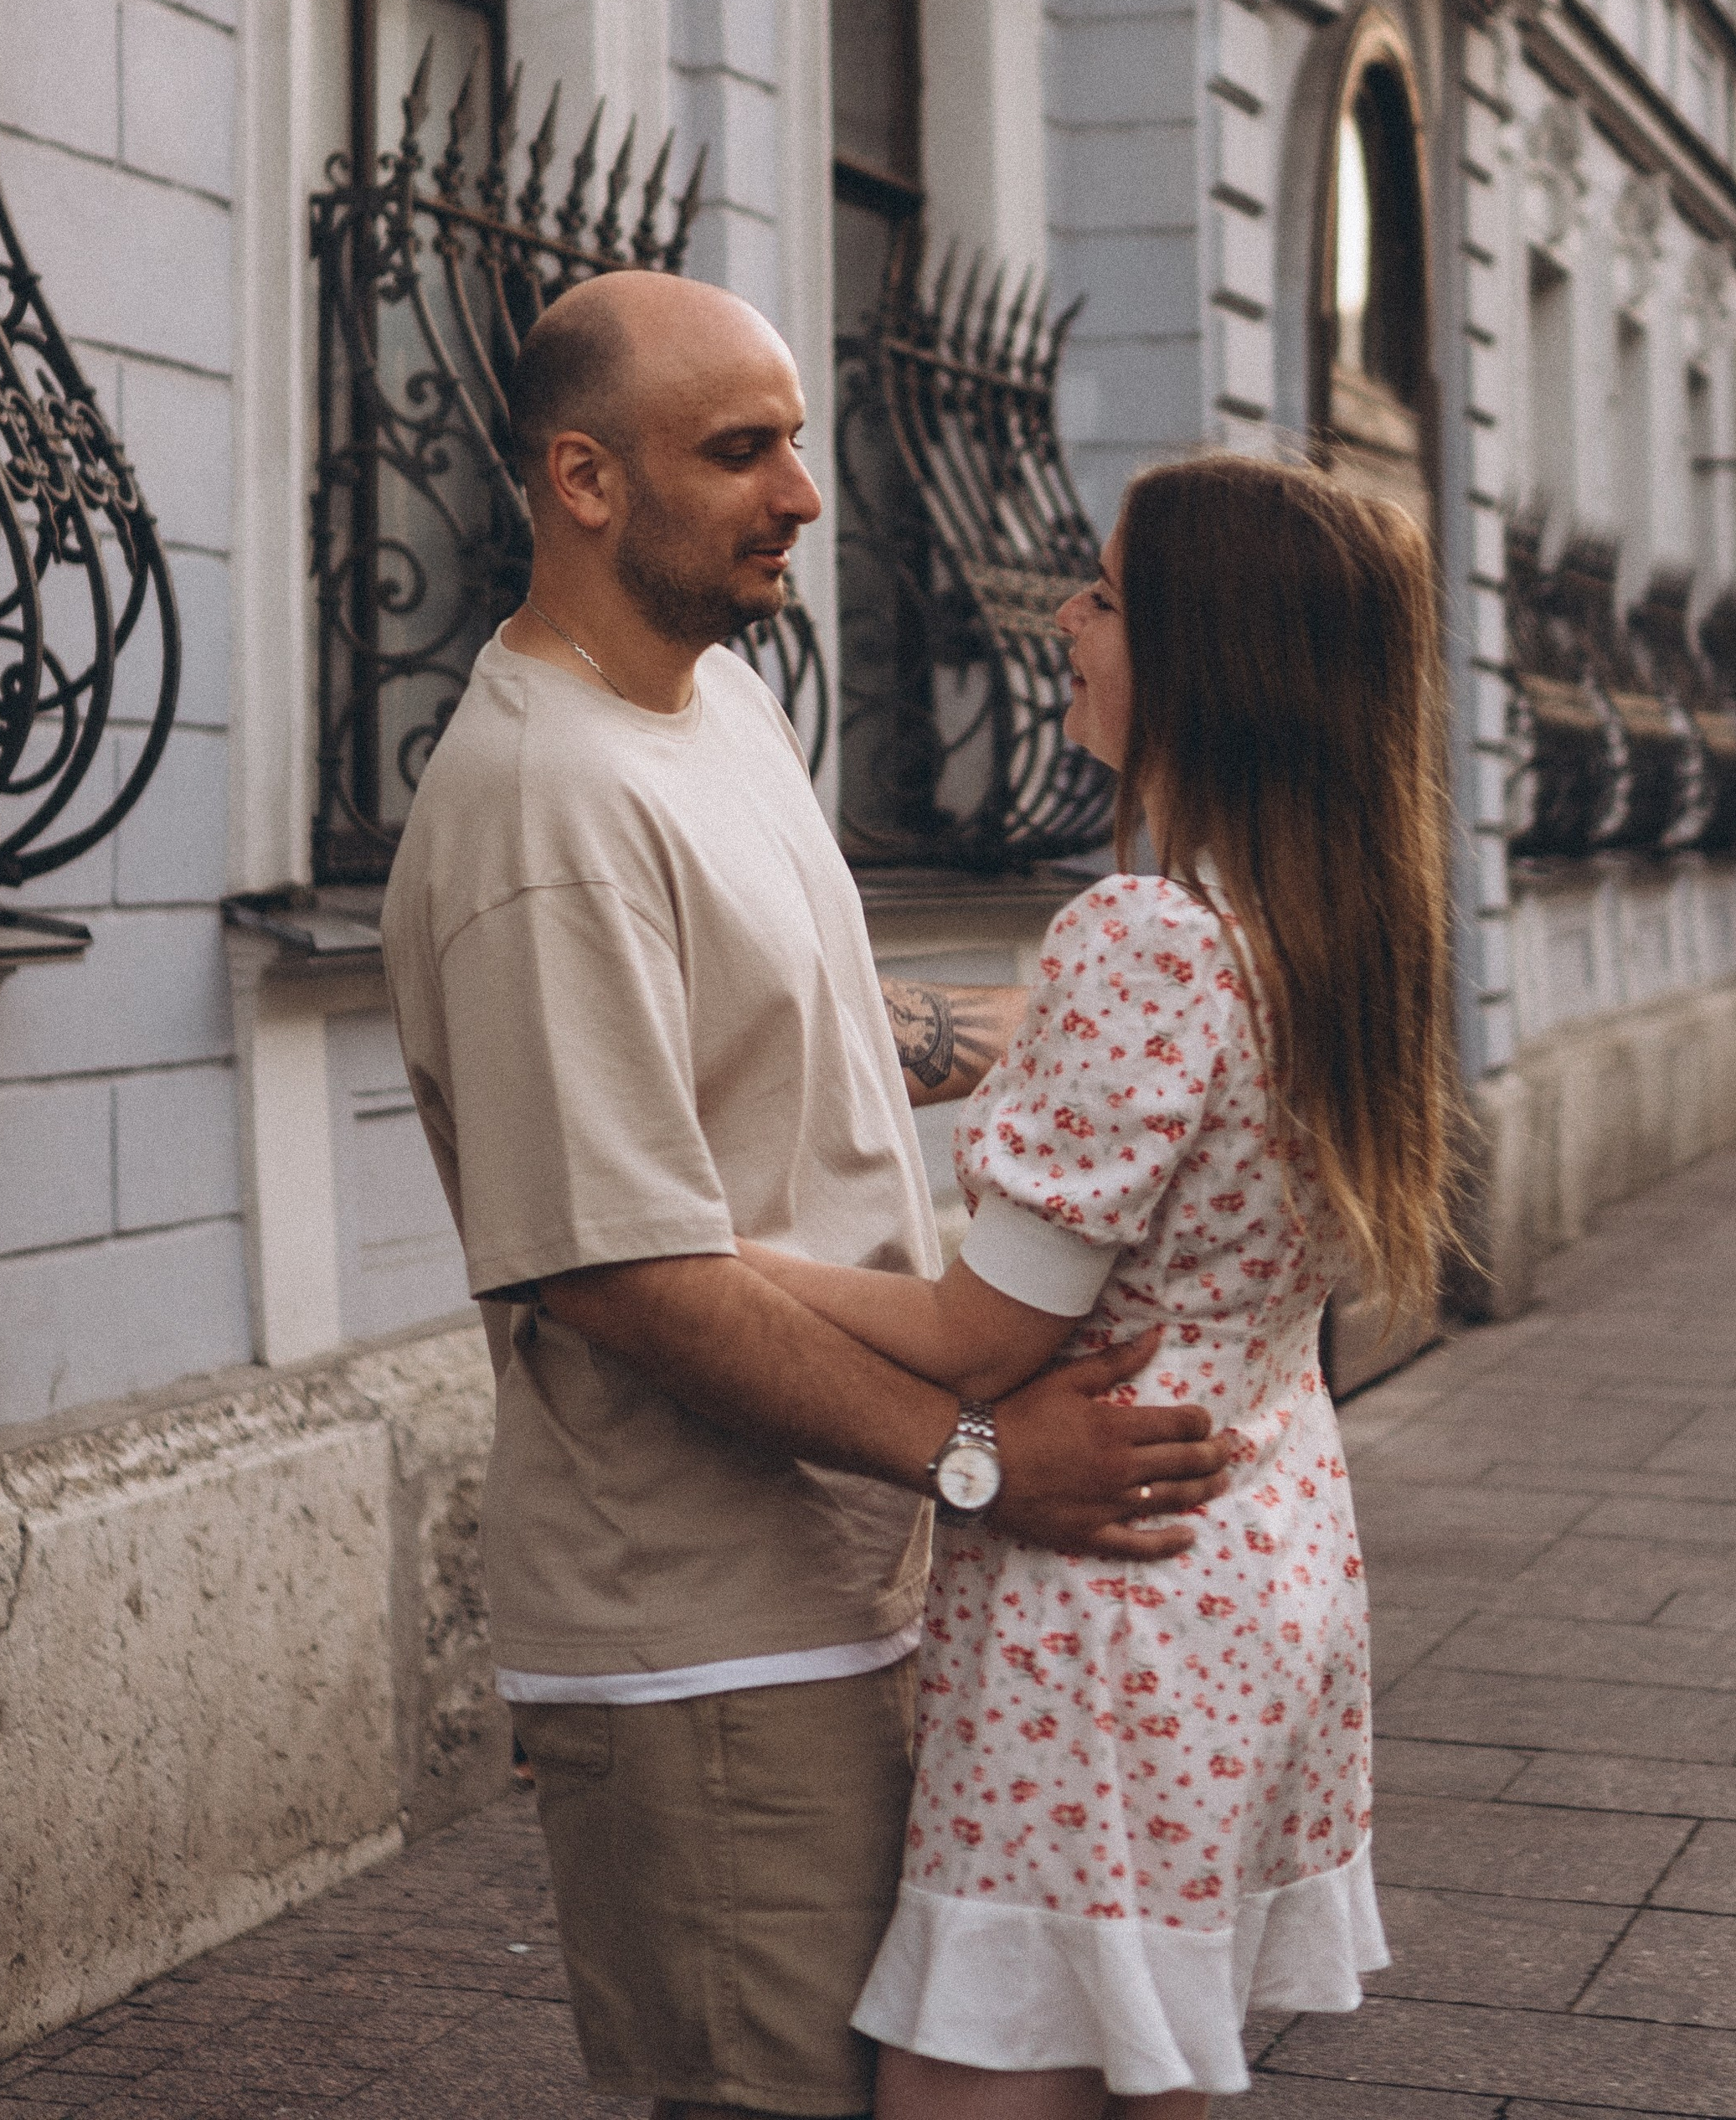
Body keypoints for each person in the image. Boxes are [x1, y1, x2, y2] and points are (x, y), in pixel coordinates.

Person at [379, 269, 1235, 2120]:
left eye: (795, 439)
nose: (803, 494)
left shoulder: (721, 712)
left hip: (855, 1582)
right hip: (708, 1642)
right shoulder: (541, 806)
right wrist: (983, 1459)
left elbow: (824, 1028)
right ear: (583, 480)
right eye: (741, 450)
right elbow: (621, 1276)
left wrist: (1141, 1030)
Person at [741, 454, 1459, 2120]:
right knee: (1147, 2065)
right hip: (1263, 1572)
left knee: (973, 2084)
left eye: (1110, 595)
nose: (1064, 616)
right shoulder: (1328, 934)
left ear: (1213, 660)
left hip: (1106, 1616)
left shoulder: (1146, 935)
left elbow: (975, 1337)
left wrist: (720, 1262)